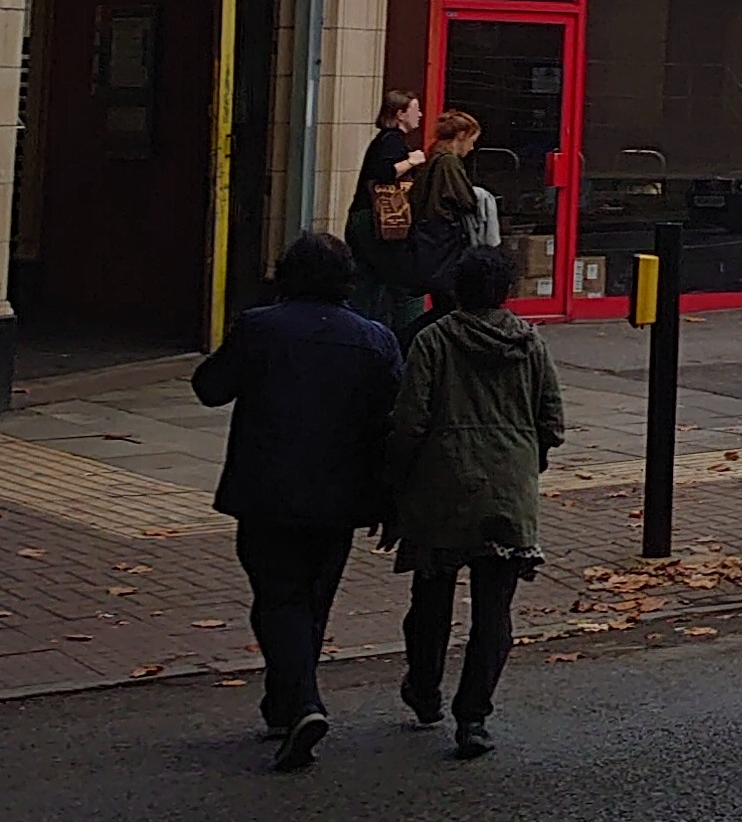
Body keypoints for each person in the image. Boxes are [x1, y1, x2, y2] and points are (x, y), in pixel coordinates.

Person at [192, 233, 402, 772]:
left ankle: (302, 703)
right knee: (311, 598)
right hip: (341, 495)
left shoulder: (261, 327)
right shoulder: (375, 340)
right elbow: (394, 422)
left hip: (267, 488)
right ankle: (283, 704)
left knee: (278, 596)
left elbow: (210, 388)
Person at [383, 246, 562, 761]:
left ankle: (424, 689)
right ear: (507, 289)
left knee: (431, 598)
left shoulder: (434, 340)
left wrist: (395, 478)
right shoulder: (531, 343)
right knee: (494, 610)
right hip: (508, 489)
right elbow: (552, 419)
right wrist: (527, 461)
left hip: (441, 486)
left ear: (458, 289)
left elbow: (410, 419)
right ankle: (474, 717)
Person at [401, 109, 490, 339]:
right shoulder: (449, 162)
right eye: (471, 141)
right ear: (460, 136)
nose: (471, 148)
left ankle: (408, 340)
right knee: (449, 307)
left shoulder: (434, 158)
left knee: (444, 306)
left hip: (430, 239)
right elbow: (466, 199)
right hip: (444, 242)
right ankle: (406, 340)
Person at [347, 91, 431, 326]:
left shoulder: (384, 140)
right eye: (415, 110)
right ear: (400, 113)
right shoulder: (392, 139)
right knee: (402, 282)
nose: (420, 115)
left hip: (364, 217)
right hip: (378, 221)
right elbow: (383, 173)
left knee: (368, 281)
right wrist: (412, 161)